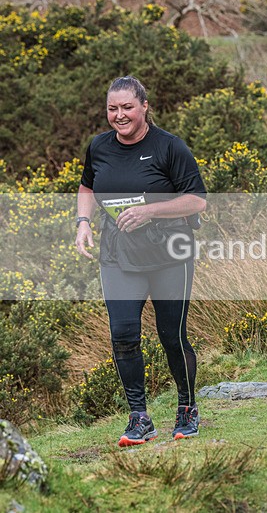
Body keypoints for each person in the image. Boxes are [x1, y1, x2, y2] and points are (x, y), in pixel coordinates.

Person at [75, 75, 207, 446]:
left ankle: (186, 408)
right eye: (112, 109)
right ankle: (139, 417)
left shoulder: (169, 147)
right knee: (123, 336)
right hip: (117, 255)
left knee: (171, 336)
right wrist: (83, 221)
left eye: (127, 107)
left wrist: (151, 211)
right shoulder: (98, 146)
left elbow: (197, 200)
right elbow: (87, 185)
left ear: (144, 107)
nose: (119, 115)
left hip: (169, 256)